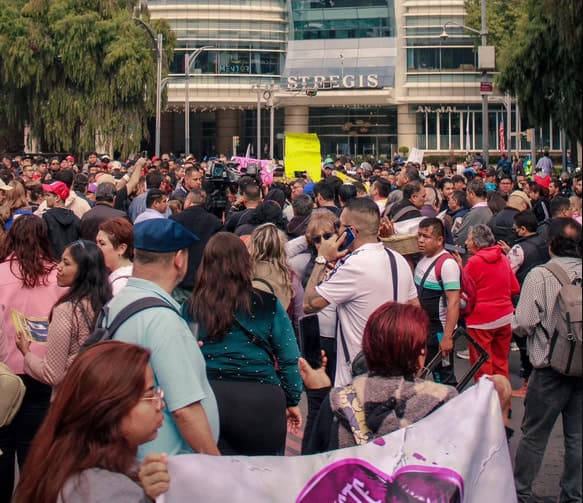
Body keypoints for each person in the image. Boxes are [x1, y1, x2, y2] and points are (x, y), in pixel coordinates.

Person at [102, 218, 220, 458]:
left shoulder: (119, 303)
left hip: (132, 457)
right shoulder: (161, 319)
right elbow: (184, 409)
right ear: (179, 258)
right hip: (166, 468)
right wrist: (214, 465)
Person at [183, 232, 302, 455]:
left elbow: (185, 353)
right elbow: (289, 356)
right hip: (262, 399)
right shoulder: (267, 303)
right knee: (263, 478)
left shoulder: (192, 307)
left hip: (208, 397)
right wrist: (292, 398)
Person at [13, 341, 166, 503]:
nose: (160, 403)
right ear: (110, 408)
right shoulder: (109, 492)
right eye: (150, 393)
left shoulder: (58, 465)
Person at [302, 302, 458, 453]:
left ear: (367, 347)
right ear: (420, 354)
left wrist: (317, 395)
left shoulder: (338, 401)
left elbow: (311, 466)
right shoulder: (443, 401)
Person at [303, 197, 418, 386]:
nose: (337, 231)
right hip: (396, 369)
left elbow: (308, 305)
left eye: (340, 226)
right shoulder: (398, 260)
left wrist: (321, 259)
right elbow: (415, 308)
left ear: (351, 231)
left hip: (358, 379)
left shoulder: (354, 265)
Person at [513, 218, 582, 503]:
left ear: (551, 244)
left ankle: (522, 492)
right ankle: (572, 494)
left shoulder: (540, 275)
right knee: (577, 438)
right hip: (582, 366)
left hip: (549, 367)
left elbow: (525, 321)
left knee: (534, 436)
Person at [0, 215, 65, 500]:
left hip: (5, 374)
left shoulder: (1, 273)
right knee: (34, 448)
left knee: (3, 445)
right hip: (42, 370)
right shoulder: (58, 277)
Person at [14, 239, 111, 392]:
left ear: (83, 270)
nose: (58, 267)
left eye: (66, 263)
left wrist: (26, 353)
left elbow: (52, 375)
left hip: (71, 400)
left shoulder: (66, 310)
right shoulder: (105, 303)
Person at [454, 225, 519, 380]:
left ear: (476, 243)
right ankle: (503, 401)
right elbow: (514, 288)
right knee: (501, 363)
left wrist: (460, 269)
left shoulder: (474, 263)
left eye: (469, 239)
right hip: (505, 317)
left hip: (481, 320)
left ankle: (486, 401)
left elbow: (464, 290)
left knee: (482, 364)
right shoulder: (503, 258)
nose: (466, 243)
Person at [414, 218, 460, 386]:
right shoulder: (424, 258)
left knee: (444, 379)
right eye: (419, 235)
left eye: (425, 236)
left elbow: (453, 302)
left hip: (439, 333)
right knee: (418, 375)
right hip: (424, 331)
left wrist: (447, 338)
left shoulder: (447, 264)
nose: (420, 240)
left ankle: (451, 410)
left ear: (440, 240)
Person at [169, 188, 222, 303]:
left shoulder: (175, 220)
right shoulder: (214, 222)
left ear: (188, 202)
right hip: (204, 280)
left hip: (180, 279)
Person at [40, 181, 81, 259]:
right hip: (70, 263)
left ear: (57, 198)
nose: (45, 198)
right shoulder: (76, 219)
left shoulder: (46, 217)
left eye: (48, 195)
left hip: (51, 264)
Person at [96, 217, 134, 296]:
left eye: (102, 244)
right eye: (97, 243)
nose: (96, 248)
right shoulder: (134, 274)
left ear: (121, 248)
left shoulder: (119, 286)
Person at [454, 179, 493, 247]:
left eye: (467, 195)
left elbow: (461, 239)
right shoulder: (489, 210)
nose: (466, 198)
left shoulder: (475, 214)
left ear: (472, 194)